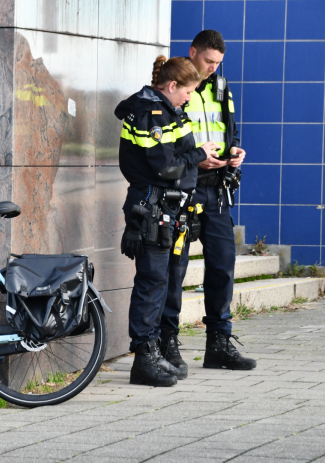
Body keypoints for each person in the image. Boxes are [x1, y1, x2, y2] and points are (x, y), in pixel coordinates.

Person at [115, 56, 220, 387]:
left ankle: (157, 350)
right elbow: (166, 166)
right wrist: (199, 154)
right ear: (172, 86)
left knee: (164, 280)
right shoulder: (152, 114)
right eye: (188, 91)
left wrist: (202, 156)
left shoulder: (170, 110)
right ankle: (144, 358)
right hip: (152, 206)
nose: (190, 97)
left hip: (169, 207)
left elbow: (179, 159)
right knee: (152, 281)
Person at [158, 30, 257, 373]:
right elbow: (163, 141)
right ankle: (167, 343)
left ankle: (218, 343)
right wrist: (193, 160)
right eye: (208, 61)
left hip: (216, 190)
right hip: (183, 189)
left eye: (218, 63)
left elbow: (229, 130)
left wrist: (235, 151)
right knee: (175, 269)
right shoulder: (175, 85)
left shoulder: (221, 88)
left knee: (222, 266)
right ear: (192, 53)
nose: (213, 68)